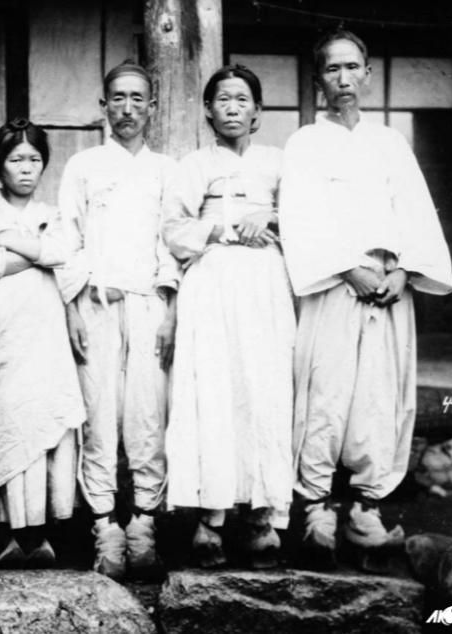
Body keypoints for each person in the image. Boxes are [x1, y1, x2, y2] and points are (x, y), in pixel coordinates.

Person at [278, 29, 452, 567]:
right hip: (333, 283)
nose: (344, 78)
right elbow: (301, 216)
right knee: (326, 393)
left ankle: (365, 510)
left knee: (379, 396)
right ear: (318, 79)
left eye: (353, 67)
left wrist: (405, 271)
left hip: (387, 288)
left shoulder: (390, 143)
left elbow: (415, 212)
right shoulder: (305, 142)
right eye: (332, 69)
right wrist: (344, 267)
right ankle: (314, 509)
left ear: (368, 74)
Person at [163, 65, 295, 569]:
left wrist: (272, 215)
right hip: (213, 280)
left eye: (243, 99)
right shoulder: (194, 165)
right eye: (223, 99)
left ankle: (261, 516)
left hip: (264, 282)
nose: (233, 108)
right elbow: (173, 228)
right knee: (215, 393)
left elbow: (307, 215)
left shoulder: (277, 162)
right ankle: (212, 518)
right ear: (208, 110)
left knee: (263, 390)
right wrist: (220, 229)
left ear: (258, 110)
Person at [57, 60, 178, 579]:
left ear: (152, 106)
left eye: (137, 98)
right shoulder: (83, 166)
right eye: (118, 98)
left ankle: (144, 524)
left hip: (149, 305)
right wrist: (72, 307)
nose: (127, 108)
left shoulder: (166, 170)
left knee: (148, 416)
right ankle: (105, 525)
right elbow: (67, 240)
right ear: (103, 105)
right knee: (99, 415)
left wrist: (171, 310)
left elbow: (172, 243)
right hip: (97, 305)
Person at [0, 119, 85, 568]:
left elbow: (64, 253)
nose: (27, 168)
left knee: (42, 416)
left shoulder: (53, 212)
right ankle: (6, 534)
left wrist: (13, 243)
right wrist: (35, 252)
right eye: (16, 159)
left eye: (34, 159)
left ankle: (43, 534)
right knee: (4, 417)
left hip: (44, 329)